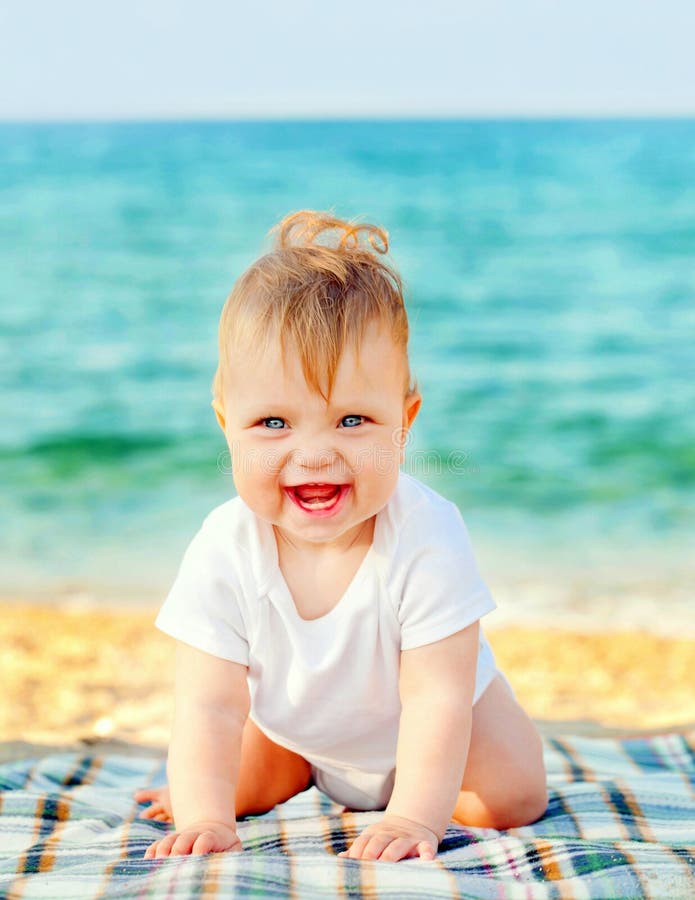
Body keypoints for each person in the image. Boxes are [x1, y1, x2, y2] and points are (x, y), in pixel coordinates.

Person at [135, 210, 548, 862]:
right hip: (303, 730)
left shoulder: (425, 533)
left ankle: (391, 791)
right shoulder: (224, 546)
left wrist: (413, 816)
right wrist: (204, 814)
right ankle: (291, 767)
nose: (314, 454)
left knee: (513, 800)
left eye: (352, 419)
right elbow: (208, 706)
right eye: (273, 423)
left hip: (446, 727)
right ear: (225, 423)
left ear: (403, 424)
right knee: (221, 784)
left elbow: (436, 698)